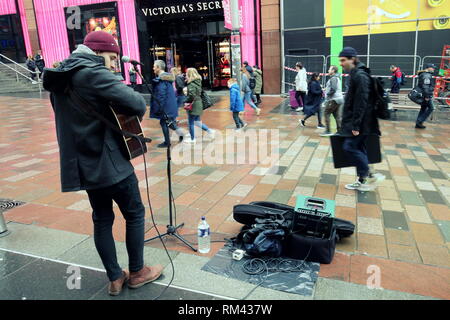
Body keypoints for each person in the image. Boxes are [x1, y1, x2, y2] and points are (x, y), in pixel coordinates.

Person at [42, 31, 163, 296]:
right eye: (110, 58)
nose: (113, 64)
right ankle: (138, 271)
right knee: (134, 214)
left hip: (84, 166)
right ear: (97, 53)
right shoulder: (93, 72)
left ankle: (114, 276)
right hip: (111, 164)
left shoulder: (60, 76)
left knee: (102, 219)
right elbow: (135, 103)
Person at [338, 47, 384, 191]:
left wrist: (356, 125)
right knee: (358, 148)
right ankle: (363, 179)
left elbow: (361, 102)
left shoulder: (360, 76)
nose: (341, 63)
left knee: (349, 147)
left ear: (353, 59)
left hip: (362, 123)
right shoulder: (356, 73)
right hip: (361, 122)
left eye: (343, 60)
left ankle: (370, 175)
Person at [150, 60, 185, 148]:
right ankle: (180, 134)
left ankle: (167, 142)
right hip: (170, 105)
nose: (153, 68)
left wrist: (158, 108)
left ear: (158, 67)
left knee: (164, 123)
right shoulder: (166, 78)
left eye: (154, 66)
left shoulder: (162, 79)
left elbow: (161, 95)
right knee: (168, 123)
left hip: (166, 106)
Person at [184, 67, 215, 144]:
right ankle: (209, 131)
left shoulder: (191, 84)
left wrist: (185, 101)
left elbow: (191, 96)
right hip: (198, 103)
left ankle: (192, 139)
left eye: (186, 74)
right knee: (197, 122)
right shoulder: (198, 82)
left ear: (189, 74)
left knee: (190, 123)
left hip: (193, 105)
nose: (185, 75)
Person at [321, 65, 344, 136]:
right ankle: (340, 131)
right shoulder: (337, 78)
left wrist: (327, 95)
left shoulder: (333, 78)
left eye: (329, 69)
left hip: (333, 99)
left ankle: (328, 131)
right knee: (337, 116)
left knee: (326, 113)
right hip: (339, 99)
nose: (328, 70)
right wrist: (326, 89)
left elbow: (333, 89)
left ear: (333, 71)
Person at [415, 63, 436, 129]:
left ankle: (418, 124)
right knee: (431, 108)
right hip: (426, 95)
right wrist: (427, 96)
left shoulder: (425, 74)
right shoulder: (426, 75)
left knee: (423, 108)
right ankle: (419, 121)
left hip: (424, 94)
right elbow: (425, 87)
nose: (434, 69)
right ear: (428, 68)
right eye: (432, 67)